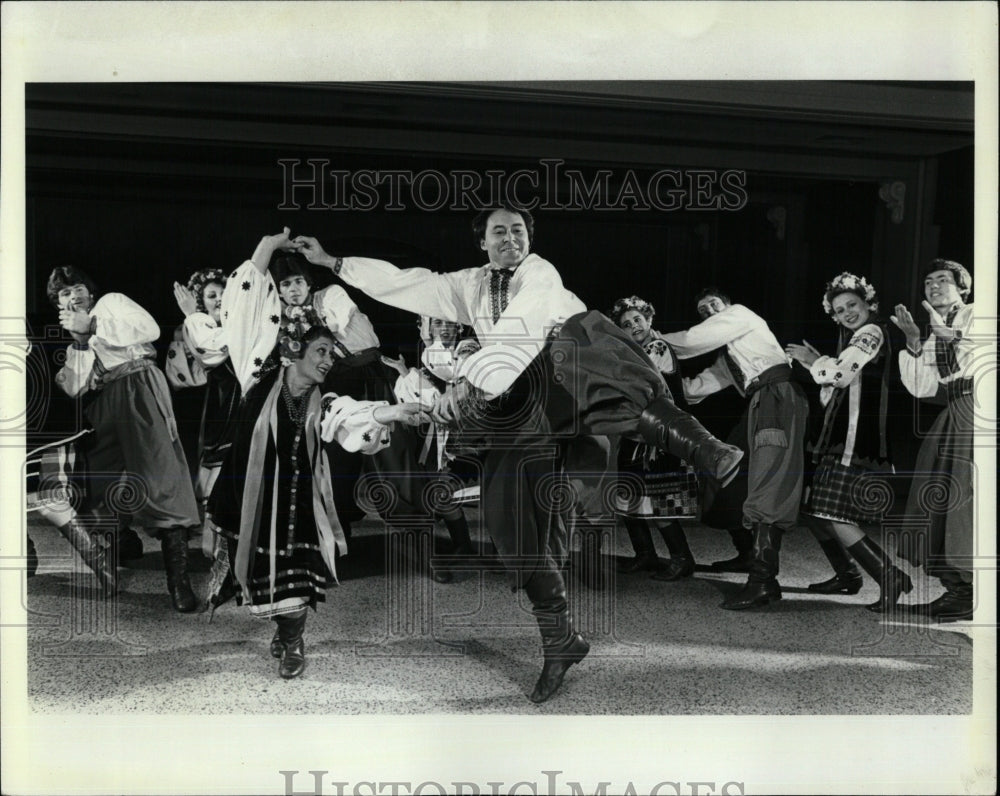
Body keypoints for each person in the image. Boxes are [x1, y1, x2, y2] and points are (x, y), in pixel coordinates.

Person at [291, 206, 742, 703]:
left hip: (564, 370)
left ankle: (707, 449)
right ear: (482, 242)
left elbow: (519, 332)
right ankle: (560, 638)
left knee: (590, 356)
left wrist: (466, 389)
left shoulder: (540, 272)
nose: (510, 238)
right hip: (521, 402)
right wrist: (335, 263)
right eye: (498, 232)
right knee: (511, 519)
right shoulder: (468, 285)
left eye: (518, 230)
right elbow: (407, 283)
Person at [208, 229, 428, 678]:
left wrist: (393, 411)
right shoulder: (257, 378)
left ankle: (292, 641)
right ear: (296, 351)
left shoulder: (318, 400)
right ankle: (281, 625)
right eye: (322, 352)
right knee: (258, 575)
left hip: (295, 506)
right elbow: (244, 301)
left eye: (332, 353)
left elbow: (346, 416)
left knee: (295, 576)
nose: (329, 361)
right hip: (250, 500)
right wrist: (267, 247)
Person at [49, 265, 201, 611]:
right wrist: (82, 341)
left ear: (90, 291)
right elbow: (74, 388)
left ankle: (178, 581)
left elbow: (148, 329)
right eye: (64, 293)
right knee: (92, 479)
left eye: (78, 289)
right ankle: (122, 540)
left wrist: (95, 326)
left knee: (161, 476)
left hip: (139, 387)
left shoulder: (112, 304)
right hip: (104, 403)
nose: (74, 296)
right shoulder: (75, 339)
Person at [662, 288, 809, 610]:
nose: (709, 311)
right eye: (702, 310)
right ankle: (747, 554)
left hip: (777, 397)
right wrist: (657, 374)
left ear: (727, 305)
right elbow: (695, 388)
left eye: (713, 304)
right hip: (760, 401)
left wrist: (652, 341)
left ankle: (763, 581)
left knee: (768, 483)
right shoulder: (728, 355)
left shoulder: (741, 314)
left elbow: (689, 341)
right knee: (728, 471)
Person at [786, 272, 912, 612]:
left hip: (857, 441)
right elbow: (835, 389)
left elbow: (841, 375)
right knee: (815, 511)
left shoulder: (871, 332)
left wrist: (815, 363)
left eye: (852, 305)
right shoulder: (854, 338)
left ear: (868, 303)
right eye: (840, 310)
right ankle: (847, 574)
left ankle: (891, 577)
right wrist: (824, 368)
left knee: (832, 513)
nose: (847, 314)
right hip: (839, 440)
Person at [889, 259, 976, 622]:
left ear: (962, 287)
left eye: (943, 280)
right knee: (938, 495)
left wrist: (950, 335)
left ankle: (971, 586)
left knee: (966, 499)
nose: (934, 286)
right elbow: (922, 388)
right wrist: (913, 341)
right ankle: (958, 590)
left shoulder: (976, 314)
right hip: (954, 412)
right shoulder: (934, 330)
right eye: (928, 281)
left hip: (980, 408)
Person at [609, 296, 700, 581]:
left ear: (649, 319)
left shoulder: (657, 347)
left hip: (659, 433)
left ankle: (682, 559)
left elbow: (643, 388)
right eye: (626, 324)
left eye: (637, 319)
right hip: (636, 433)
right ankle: (645, 555)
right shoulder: (634, 353)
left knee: (661, 498)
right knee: (628, 495)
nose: (633, 326)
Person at [389, 316, 480, 579]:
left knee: (492, 493)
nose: (442, 328)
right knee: (439, 491)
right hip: (447, 436)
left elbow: (453, 373)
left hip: (475, 436)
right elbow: (430, 392)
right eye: (436, 324)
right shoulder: (432, 354)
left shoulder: (469, 347)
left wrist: (428, 349)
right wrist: (409, 374)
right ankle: (464, 545)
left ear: (459, 326)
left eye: (447, 323)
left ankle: (495, 549)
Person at [166, 268, 240, 561]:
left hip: (244, 401)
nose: (220, 300)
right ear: (201, 303)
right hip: (222, 404)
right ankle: (218, 547)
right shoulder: (197, 328)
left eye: (224, 294)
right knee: (218, 472)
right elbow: (188, 374)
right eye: (212, 296)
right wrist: (190, 318)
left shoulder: (239, 322)